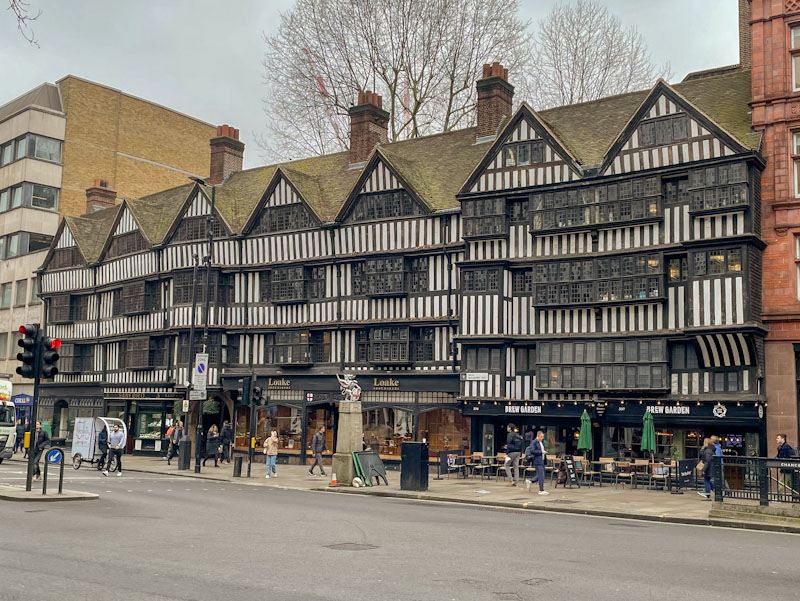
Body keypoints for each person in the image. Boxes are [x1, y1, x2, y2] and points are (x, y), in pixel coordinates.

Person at [526, 430, 549, 496]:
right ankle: (541, 490)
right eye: (541, 436)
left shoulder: (541, 442)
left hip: (542, 460)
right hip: (537, 461)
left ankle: (531, 481)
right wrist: (541, 452)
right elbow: (532, 451)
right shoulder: (534, 442)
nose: (542, 438)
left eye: (543, 437)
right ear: (538, 436)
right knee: (541, 475)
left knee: (541, 474)